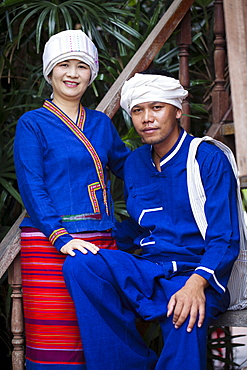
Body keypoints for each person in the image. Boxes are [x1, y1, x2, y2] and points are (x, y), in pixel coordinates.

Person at [62, 69, 240, 369]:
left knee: (185, 317)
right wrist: (88, 237)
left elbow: (225, 237)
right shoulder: (135, 163)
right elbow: (137, 225)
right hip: (150, 270)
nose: (147, 118)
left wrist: (196, 285)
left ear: (177, 110)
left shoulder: (207, 158)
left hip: (197, 275)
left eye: (157, 108)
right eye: (137, 110)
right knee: (81, 264)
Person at [14, 29, 130, 370]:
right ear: (50, 71)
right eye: (64, 65)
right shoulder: (31, 123)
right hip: (49, 244)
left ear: (90, 74)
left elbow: (130, 170)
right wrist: (59, 236)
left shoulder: (101, 123)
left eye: (81, 66)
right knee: (57, 345)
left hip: (102, 243)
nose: (72, 73)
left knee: (99, 336)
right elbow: (32, 185)